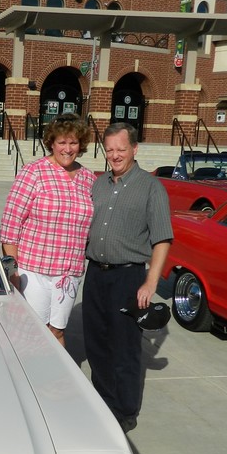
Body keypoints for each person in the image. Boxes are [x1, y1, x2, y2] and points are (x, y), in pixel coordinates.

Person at [81, 122, 173, 432]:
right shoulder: (98, 184)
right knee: (96, 344)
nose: (115, 155)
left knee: (124, 347)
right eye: (110, 150)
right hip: (96, 274)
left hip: (128, 277)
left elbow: (162, 239)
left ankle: (124, 411)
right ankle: (103, 403)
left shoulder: (151, 187)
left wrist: (150, 282)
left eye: (121, 149)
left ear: (135, 149)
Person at [0, 114, 94, 347]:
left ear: (81, 145)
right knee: (31, 331)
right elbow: (11, 224)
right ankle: (29, 370)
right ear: (51, 142)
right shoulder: (33, 172)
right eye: (62, 142)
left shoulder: (88, 179)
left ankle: (56, 372)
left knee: (57, 331)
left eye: (73, 143)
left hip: (69, 272)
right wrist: (13, 272)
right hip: (34, 270)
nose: (67, 149)